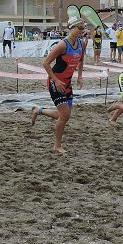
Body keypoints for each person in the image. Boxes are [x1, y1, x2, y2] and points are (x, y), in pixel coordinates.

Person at [31, 16, 85, 153]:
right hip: (56, 81)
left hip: (67, 83)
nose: (81, 30)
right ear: (71, 28)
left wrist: (79, 76)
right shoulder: (62, 45)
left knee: (65, 115)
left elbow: (81, 60)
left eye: (83, 28)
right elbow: (45, 63)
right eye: (79, 28)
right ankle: (57, 145)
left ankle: (39, 110)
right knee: (65, 115)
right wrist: (55, 80)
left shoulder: (81, 43)